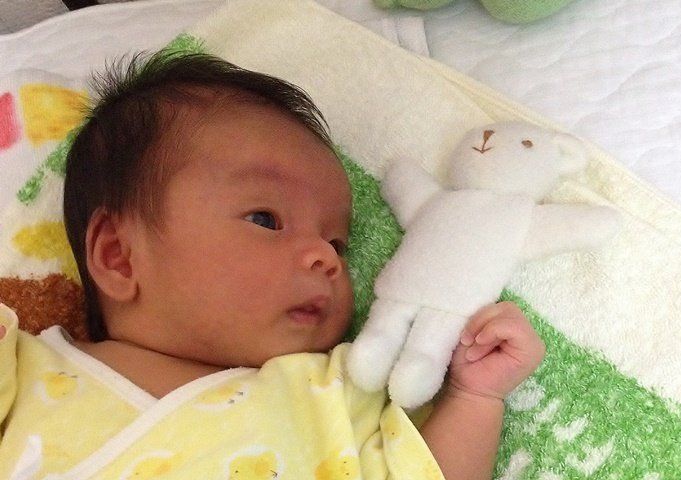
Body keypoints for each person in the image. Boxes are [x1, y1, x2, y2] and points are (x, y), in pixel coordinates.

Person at [0, 51, 545, 480]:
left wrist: (474, 398)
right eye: (265, 219)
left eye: (337, 242)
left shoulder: (332, 393)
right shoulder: (24, 370)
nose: (325, 257)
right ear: (119, 256)